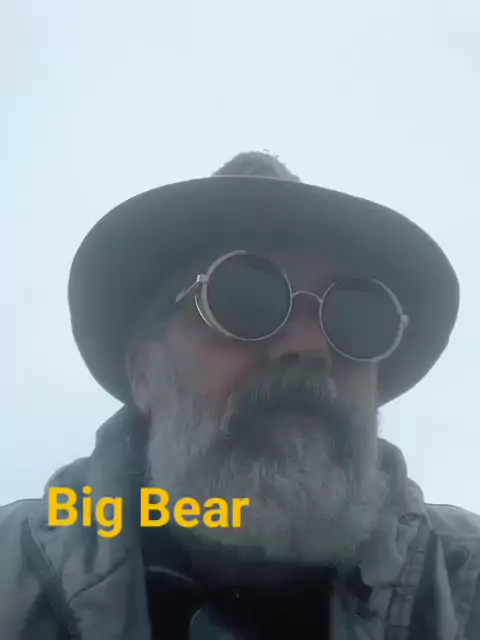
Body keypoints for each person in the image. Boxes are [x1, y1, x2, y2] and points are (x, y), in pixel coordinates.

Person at [1, 152, 479, 640]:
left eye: (358, 318)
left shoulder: (466, 583)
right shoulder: (11, 575)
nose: (310, 346)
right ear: (143, 372)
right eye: (245, 299)